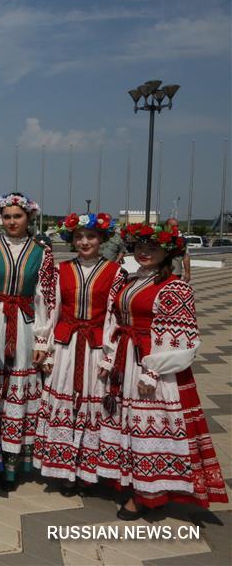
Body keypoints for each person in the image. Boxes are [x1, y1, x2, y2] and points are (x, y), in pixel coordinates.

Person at [97, 222, 227, 520]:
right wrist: (109, 355)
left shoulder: (175, 287)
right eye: (140, 247)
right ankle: (132, 481)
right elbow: (115, 321)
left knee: (150, 422)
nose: (145, 252)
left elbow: (181, 336)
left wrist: (153, 370)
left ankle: (148, 494)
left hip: (150, 363)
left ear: (168, 252)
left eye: (153, 247)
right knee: (128, 421)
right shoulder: (131, 280)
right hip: (126, 359)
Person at [32, 212, 125, 496]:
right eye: (79, 237)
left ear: (102, 239)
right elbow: (49, 308)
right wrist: (44, 346)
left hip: (96, 345)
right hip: (66, 345)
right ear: (72, 240)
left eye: (91, 237)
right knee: (66, 404)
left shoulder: (116, 272)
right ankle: (65, 471)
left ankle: (89, 469)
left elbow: (115, 316)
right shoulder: (61, 270)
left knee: (92, 404)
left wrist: (110, 354)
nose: (84, 242)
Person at [0, 192, 56, 491]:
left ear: (29, 218)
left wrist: (42, 339)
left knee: (18, 388)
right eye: (7, 216)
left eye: (17, 216)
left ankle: (12, 463)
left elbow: (46, 297)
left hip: (24, 323)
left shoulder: (42, 252)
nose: (12, 221)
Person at [165, 217, 191, 282]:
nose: (176, 228)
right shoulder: (160, 238)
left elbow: (185, 257)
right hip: (162, 274)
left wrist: (187, 273)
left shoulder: (181, 241)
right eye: (173, 226)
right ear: (167, 226)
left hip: (176, 274)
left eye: (177, 226)